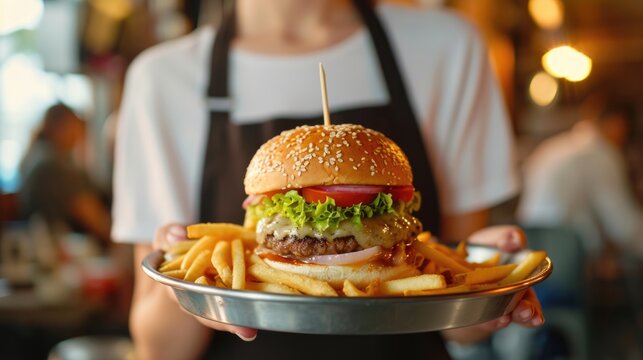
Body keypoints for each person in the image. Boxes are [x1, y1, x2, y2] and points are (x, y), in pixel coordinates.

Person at [112, 1, 543, 359]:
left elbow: (456, 317)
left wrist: (484, 298)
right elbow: (157, 351)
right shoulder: (161, 78)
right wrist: (185, 290)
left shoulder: (449, 47)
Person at [518, 96, 643, 258]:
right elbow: (623, 224)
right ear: (617, 122)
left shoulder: (559, 145)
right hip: (564, 248)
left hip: (527, 243)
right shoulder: (601, 154)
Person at [17, 103, 112, 244]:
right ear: (61, 127)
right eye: (77, 128)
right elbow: (99, 223)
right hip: (62, 250)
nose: (80, 136)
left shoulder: (34, 156)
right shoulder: (54, 166)